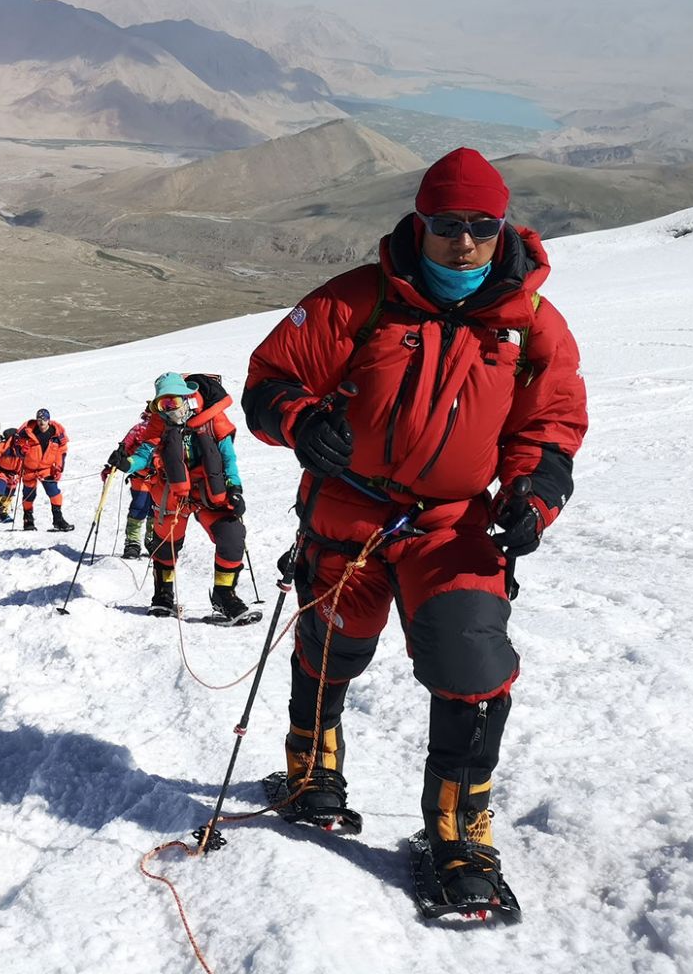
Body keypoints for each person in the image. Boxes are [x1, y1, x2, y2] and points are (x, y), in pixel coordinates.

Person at [241, 147, 587, 910]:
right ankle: (311, 771)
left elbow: (552, 423)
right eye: (445, 225)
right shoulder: (357, 300)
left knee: (473, 666)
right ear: (419, 223)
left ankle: (460, 833)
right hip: (348, 515)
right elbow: (269, 380)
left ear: (502, 227)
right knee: (331, 647)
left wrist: (534, 493)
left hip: (456, 527)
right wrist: (299, 422)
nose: (462, 242)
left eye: (479, 226)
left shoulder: (531, 321)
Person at [107, 373, 250, 621]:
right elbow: (144, 453)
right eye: (163, 404)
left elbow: (228, 456)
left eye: (173, 400)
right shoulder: (158, 424)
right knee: (165, 547)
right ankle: (162, 597)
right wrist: (127, 463)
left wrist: (235, 488)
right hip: (172, 493)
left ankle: (225, 596)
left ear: (187, 396)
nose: (170, 409)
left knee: (232, 535)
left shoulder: (212, 417)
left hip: (208, 491)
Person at [104, 407, 158, 559]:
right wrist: (114, 464)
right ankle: (132, 542)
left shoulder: (166, 428)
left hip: (160, 477)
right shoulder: (138, 429)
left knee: (156, 509)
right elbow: (124, 447)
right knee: (140, 506)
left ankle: (153, 540)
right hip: (140, 476)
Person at [14, 408, 73, 532]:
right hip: (29, 469)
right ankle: (28, 520)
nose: (41, 422)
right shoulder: (26, 432)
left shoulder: (56, 434)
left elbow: (61, 451)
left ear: (49, 420)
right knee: (29, 495)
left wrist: (59, 467)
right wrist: (21, 451)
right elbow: (17, 449)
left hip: (46, 469)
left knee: (54, 492)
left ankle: (58, 519)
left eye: (44, 420)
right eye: (39, 420)